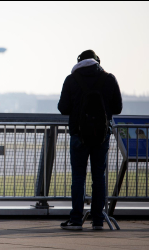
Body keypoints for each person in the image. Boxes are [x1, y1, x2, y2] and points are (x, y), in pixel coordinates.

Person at [58, 50, 122, 230]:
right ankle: (97, 220)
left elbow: (63, 108)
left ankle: (76, 219)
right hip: (102, 136)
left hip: (78, 135)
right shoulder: (109, 79)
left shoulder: (71, 79)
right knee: (98, 177)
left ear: (79, 61)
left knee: (78, 177)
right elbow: (117, 108)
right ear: (97, 61)